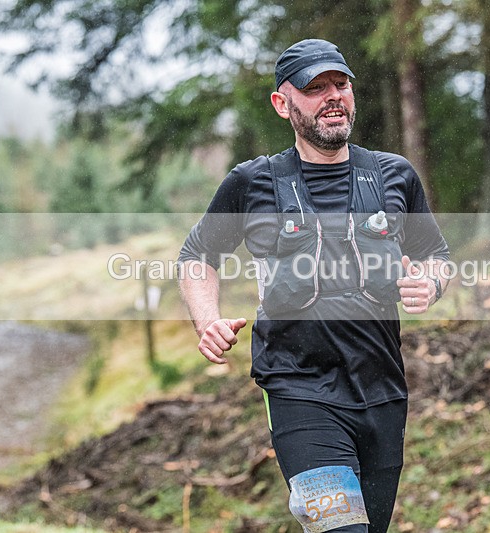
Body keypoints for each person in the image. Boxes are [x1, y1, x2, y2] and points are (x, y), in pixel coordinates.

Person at [178, 38, 449, 533]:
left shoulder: (394, 175)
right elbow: (198, 254)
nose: (333, 96)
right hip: (297, 388)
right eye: (315, 88)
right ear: (283, 104)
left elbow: (437, 255)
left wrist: (430, 284)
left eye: (340, 84)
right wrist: (207, 321)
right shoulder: (253, 182)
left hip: (382, 389)